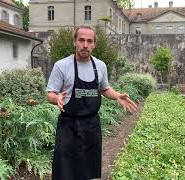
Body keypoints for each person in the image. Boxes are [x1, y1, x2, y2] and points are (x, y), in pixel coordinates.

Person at [46, 25, 137, 180]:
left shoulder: (100, 66)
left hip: (91, 126)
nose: (85, 45)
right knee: (65, 170)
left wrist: (117, 96)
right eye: (81, 40)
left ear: (94, 44)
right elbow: (50, 94)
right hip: (68, 126)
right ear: (75, 42)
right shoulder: (61, 66)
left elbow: (104, 89)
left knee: (88, 171)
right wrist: (56, 98)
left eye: (89, 41)